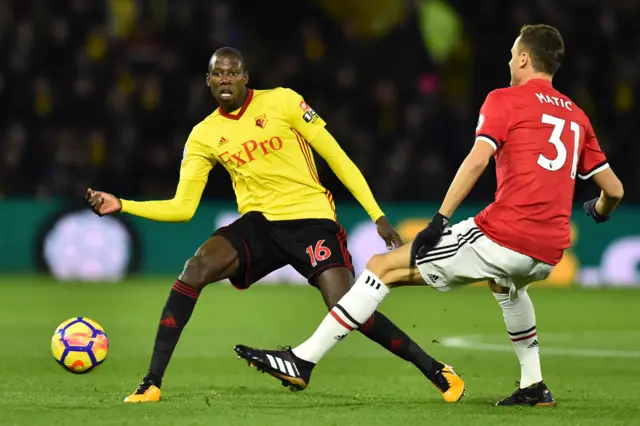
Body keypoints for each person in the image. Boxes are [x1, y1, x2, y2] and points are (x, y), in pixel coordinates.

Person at [234, 24, 625, 407]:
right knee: (507, 286)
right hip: (550, 251)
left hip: (504, 235)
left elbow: (476, 161)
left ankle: (302, 359)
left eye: (512, 54)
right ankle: (534, 385)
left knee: (381, 267)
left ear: (525, 58)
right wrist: (599, 211)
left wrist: (440, 219)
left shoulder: (505, 99)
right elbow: (615, 190)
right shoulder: (577, 116)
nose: (509, 60)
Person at [86, 47, 464, 403]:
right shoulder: (203, 135)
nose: (225, 79)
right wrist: (124, 205)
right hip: (261, 226)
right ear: (208, 81)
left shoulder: (282, 101)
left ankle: (435, 370)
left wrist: (376, 215)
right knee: (195, 267)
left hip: (310, 219)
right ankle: (152, 382)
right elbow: (183, 208)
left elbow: (336, 155)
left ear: (245, 78)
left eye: (233, 73)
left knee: (349, 308)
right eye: (218, 73)